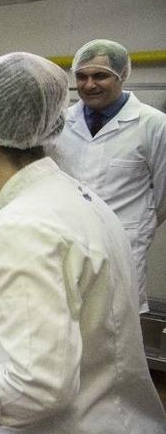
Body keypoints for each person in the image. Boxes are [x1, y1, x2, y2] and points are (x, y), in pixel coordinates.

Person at [0, 53, 166, 434]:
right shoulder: (77, 196)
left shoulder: (23, 227)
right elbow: (77, 316)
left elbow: (39, 384)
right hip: (121, 428)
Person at [50, 39, 166, 314]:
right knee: (64, 323)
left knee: (116, 334)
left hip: (121, 247)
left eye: (100, 76)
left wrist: (136, 227)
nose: (89, 84)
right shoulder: (62, 122)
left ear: (121, 76)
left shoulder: (153, 124)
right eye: (82, 76)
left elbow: (163, 196)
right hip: (67, 242)